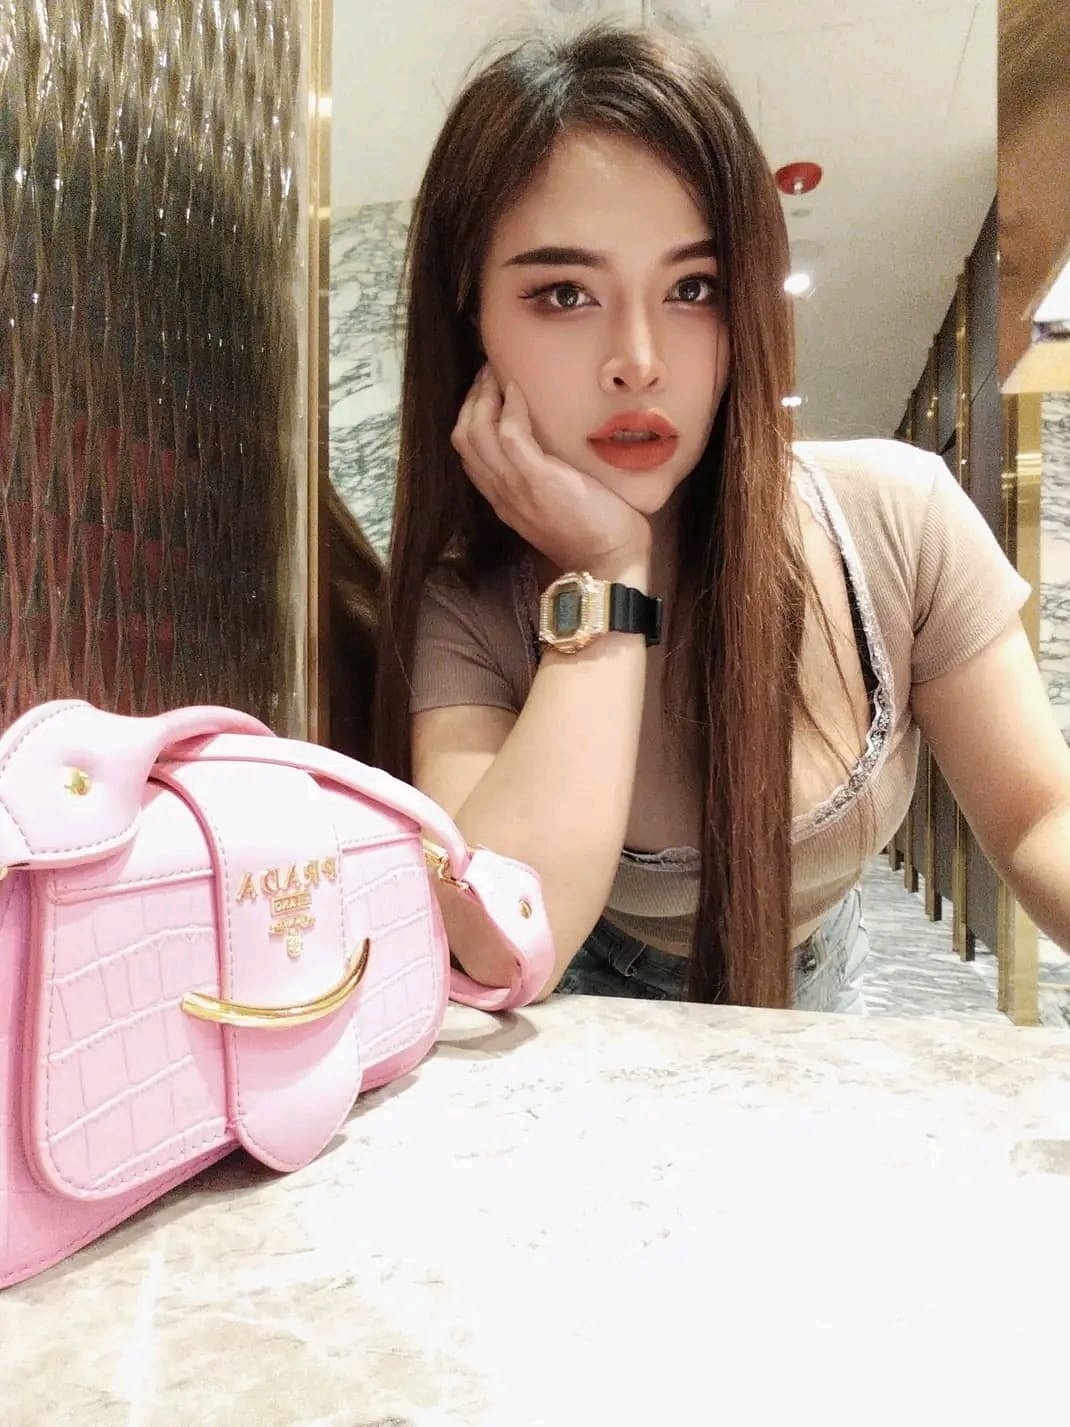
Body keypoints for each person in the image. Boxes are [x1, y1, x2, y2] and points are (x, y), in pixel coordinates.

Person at [373, 22, 1070, 1012]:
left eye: (692, 288)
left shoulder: (896, 516)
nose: (638, 359)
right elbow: (497, 942)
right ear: (471, 321)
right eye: (564, 292)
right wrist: (605, 575)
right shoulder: (471, 602)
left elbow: (1040, 815)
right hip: (577, 1009)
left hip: (820, 979)